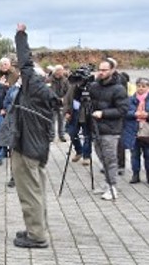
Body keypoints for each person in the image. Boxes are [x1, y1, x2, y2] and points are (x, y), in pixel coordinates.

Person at [2, 23, 61, 249]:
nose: (20, 76)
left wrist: (20, 35)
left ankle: (36, 236)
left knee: (30, 193)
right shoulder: (43, 92)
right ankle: (36, 227)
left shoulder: (34, 87)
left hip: (27, 148)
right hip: (37, 148)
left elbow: (25, 62)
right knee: (37, 191)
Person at [89, 58, 129, 200]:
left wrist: (103, 113)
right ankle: (107, 184)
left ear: (112, 70)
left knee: (110, 159)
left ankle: (112, 187)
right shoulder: (94, 86)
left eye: (104, 70)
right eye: (100, 69)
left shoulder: (118, 88)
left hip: (111, 130)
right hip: (96, 129)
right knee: (102, 158)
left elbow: (123, 109)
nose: (101, 72)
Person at [123, 77, 149, 183]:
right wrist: (135, 114)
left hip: (147, 131)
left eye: (144, 86)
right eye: (139, 86)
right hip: (133, 131)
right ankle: (135, 174)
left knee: (148, 154)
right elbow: (125, 112)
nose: (141, 88)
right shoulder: (130, 99)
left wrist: (146, 115)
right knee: (134, 154)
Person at [63, 82, 92, 166]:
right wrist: (66, 112)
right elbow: (66, 99)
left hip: (87, 115)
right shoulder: (73, 86)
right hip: (74, 114)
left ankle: (86, 156)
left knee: (87, 136)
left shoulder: (91, 86)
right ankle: (79, 151)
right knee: (72, 133)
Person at [48, 65, 70, 142]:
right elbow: (48, 91)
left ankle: (61, 135)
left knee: (62, 120)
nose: (60, 72)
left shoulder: (65, 80)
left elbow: (68, 91)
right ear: (55, 71)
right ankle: (51, 136)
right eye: (59, 71)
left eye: (61, 71)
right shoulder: (49, 80)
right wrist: (55, 98)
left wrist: (64, 98)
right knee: (52, 120)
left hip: (62, 104)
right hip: (52, 103)